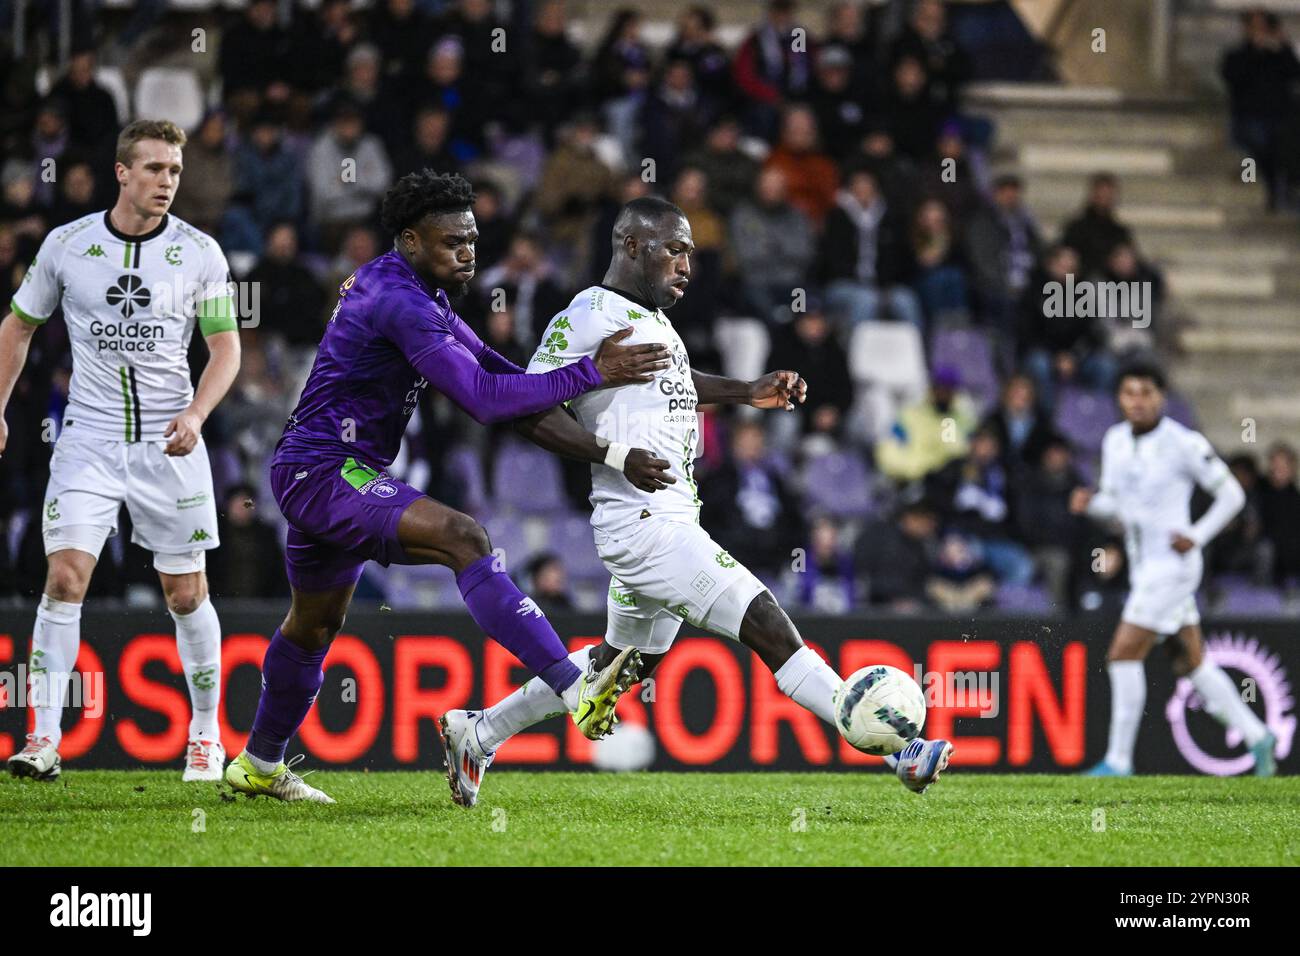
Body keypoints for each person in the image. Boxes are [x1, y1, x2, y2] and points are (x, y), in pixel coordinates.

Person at [438, 196, 954, 808]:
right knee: (764, 620)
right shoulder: (587, 315)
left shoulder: (655, 319)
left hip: (673, 513)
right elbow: (526, 408)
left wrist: (745, 391)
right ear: (631, 246)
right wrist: (612, 455)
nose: (687, 265)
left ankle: (478, 731)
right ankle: (898, 749)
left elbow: (678, 382)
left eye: (691, 253)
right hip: (643, 524)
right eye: (674, 250)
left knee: (615, 665)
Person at [222, 171, 670, 803]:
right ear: (410, 239)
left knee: (313, 626)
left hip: (332, 470)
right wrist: (591, 370)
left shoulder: (422, 294)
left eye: (473, 239)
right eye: (452, 241)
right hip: (323, 469)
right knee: (465, 537)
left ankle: (260, 765)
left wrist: (604, 431)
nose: (468, 252)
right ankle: (574, 686)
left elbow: (497, 372)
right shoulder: (399, 300)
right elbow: (485, 402)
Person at [1, 120, 241, 782]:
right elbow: (17, 328)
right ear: (122, 172)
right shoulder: (67, 246)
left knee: (185, 593)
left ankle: (203, 735)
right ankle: (42, 740)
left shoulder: (201, 253)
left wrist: (197, 412)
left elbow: (226, 348)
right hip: (89, 438)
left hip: (171, 441)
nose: (167, 181)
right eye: (155, 169)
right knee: (64, 578)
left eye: (175, 171)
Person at [1070, 360, 1276, 776]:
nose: (1138, 401)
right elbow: (1115, 504)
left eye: (1146, 392)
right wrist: (1091, 504)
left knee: (1122, 654)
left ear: (1161, 396)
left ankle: (1118, 761)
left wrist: (1197, 535)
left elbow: (1232, 495)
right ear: (1119, 398)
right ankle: (1256, 735)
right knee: (1190, 663)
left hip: (1174, 567)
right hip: (1143, 567)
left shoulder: (1184, 443)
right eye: (1129, 393)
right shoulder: (1114, 441)